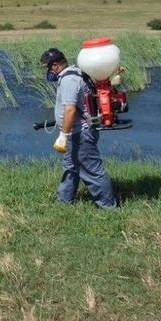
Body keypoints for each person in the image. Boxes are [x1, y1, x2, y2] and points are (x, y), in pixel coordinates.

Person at [40, 47, 118, 208]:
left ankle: (109, 208)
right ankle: (63, 203)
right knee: (71, 168)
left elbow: (70, 109)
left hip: (79, 134)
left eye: (48, 67)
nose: (48, 71)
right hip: (77, 132)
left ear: (55, 65)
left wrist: (63, 135)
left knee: (92, 172)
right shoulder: (77, 71)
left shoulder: (69, 80)